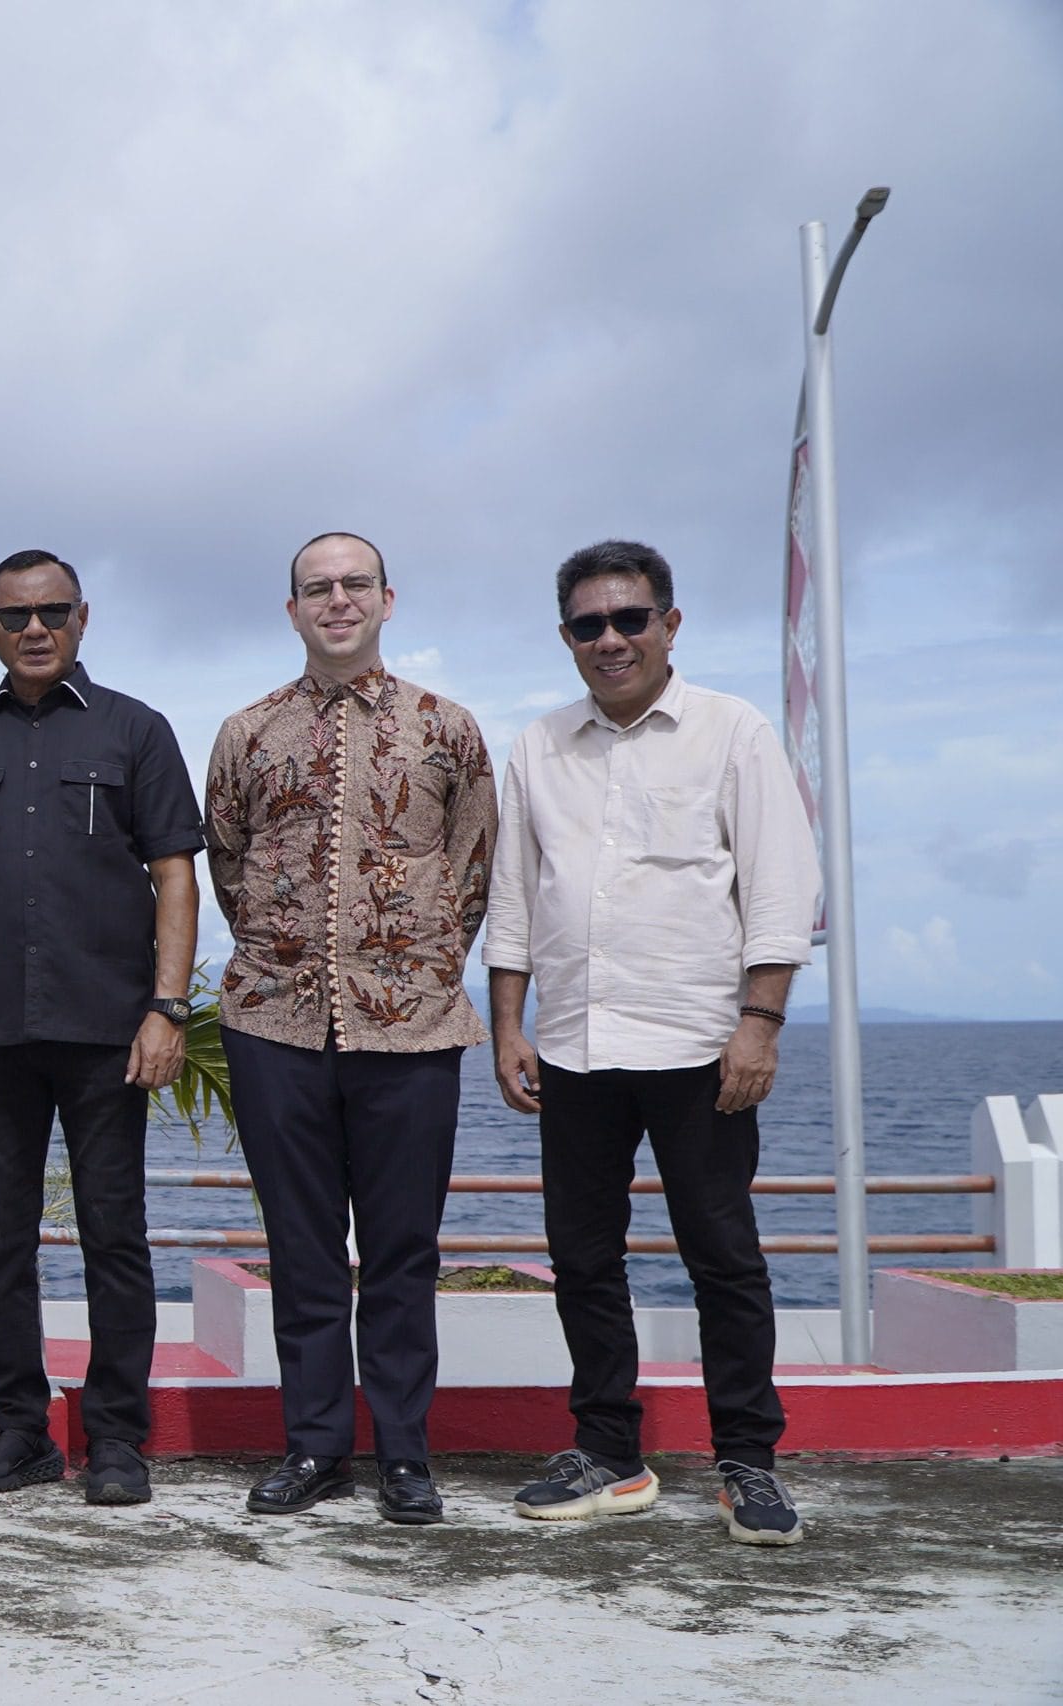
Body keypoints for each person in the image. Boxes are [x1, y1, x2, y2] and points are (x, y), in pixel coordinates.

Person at [485, 539, 820, 1546]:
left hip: (699, 1044)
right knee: (582, 1257)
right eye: (589, 624)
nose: (611, 639)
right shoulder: (539, 745)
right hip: (574, 1045)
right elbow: (515, 897)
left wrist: (759, 1024)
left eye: (629, 618)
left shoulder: (733, 731)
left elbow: (779, 886)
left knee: (723, 1257)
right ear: (566, 637)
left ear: (669, 625)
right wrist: (507, 1024)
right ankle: (608, 1453)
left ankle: (747, 1462)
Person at [0, 548, 202, 1508]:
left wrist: (167, 1006)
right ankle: (20, 1430)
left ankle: (116, 1438)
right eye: (14, 615)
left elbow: (175, 875)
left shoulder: (135, 731)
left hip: (109, 1029)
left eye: (52, 611)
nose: (35, 629)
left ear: (81, 618)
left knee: (115, 1235)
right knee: (0, 1240)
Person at [205, 532, 496, 1526]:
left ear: (386, 599)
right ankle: (316, 1445)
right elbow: (228, 863)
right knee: (302, 1248)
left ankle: (404, 1453)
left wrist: (408, 963)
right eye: (317, 587)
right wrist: (289, 953)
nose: (338, 600)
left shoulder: (446, 728)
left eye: (354, 584)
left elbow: (472, 867)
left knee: (404, 1250)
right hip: (273, 1022)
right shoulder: (246, 732)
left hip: (411, 1027)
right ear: (292, 609)